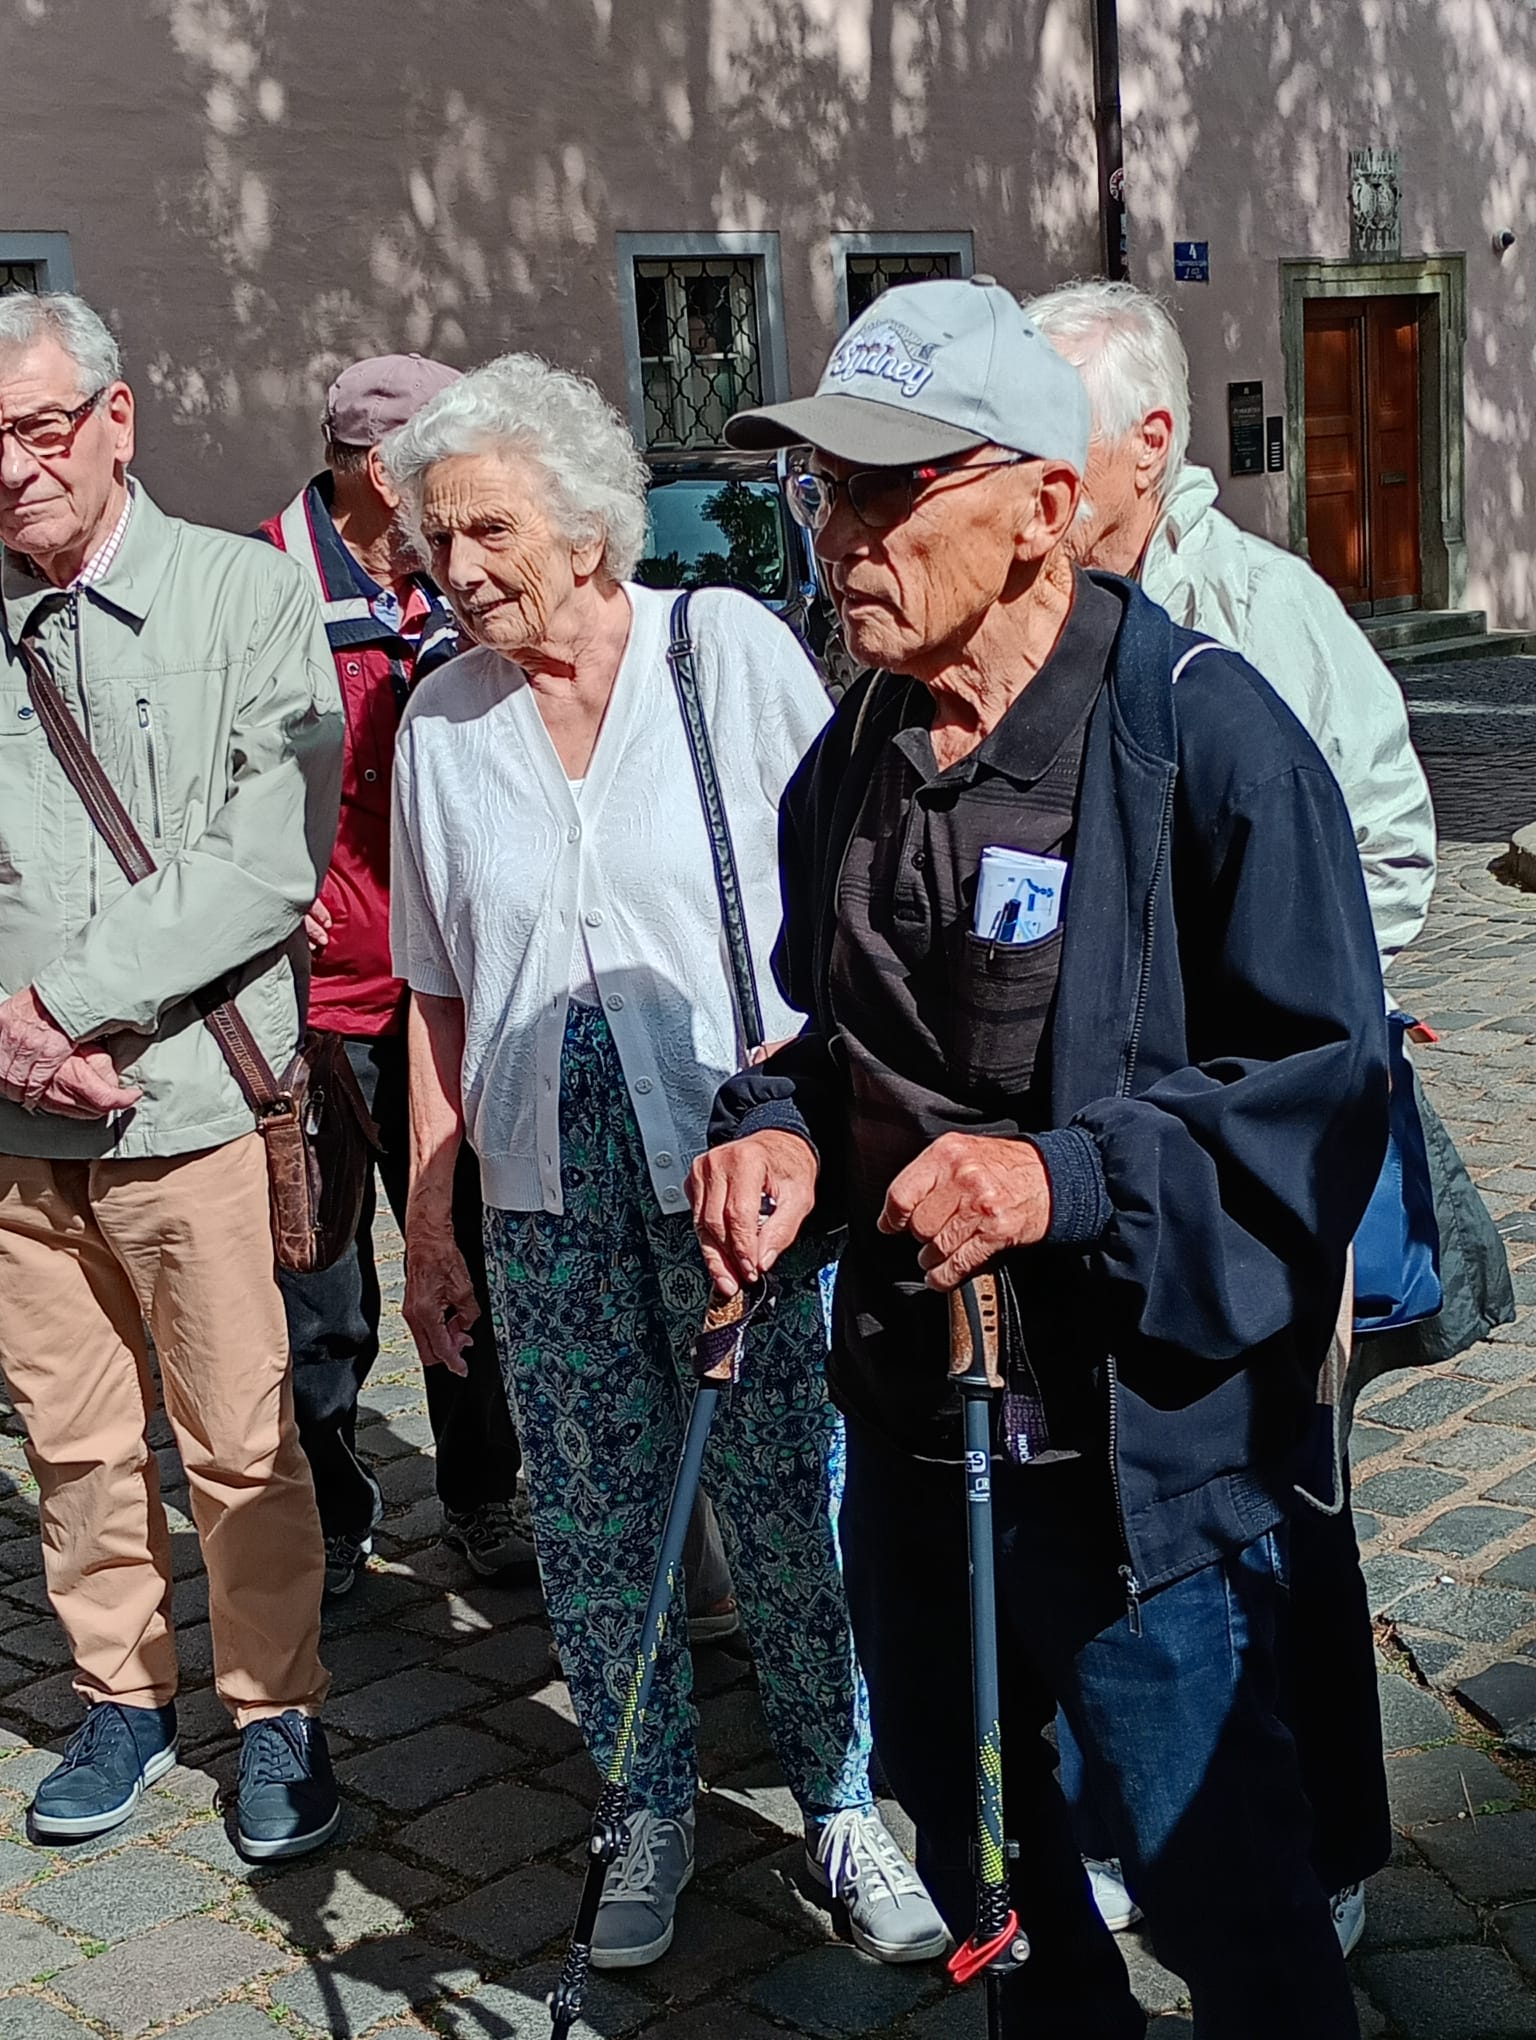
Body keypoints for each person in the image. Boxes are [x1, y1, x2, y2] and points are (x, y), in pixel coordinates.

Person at [694, 276, 1389, 2038]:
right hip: (914, 1418)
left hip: (1129, 1445)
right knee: (975, 1846)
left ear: (1044, 509)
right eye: (823, 488)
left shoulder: (1208, 736)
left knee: (1221, 1877)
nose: (838, 534)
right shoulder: (854, 750)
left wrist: (1063, 1178)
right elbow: (838, 1043)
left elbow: (1320, 1087)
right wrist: (778, 1134)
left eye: (889, 490)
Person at [382, 354, 947, 1971]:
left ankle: (842, 1802)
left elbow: (849, 901)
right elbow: (436, 993)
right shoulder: (439, 724)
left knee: (786, 1497)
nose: (458, 565)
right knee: (592, 1516)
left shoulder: (724, 652)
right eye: (436, 537)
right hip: (540, 1190)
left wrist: (821, 1118)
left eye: (489, 527)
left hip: (737, 1162)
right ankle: (642, 1803)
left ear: (586, 529)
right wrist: (432, 1219)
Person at [1021, 279, 1442, 1950]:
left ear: (1150, 439)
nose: (1021, 466)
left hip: (1255, 1156)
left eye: (1050, 433)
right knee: (1099, 1492)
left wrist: (1300, 1008)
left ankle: (1325, 1839)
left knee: (1281, 1495)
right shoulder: (1029, 610)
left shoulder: (1263, 611)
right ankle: (1131, 1810)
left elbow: (1392, 843)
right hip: (1086, 1164)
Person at [0, 292, 343, 1859]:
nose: (15, 469)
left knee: (238, 1437)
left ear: (116, 420)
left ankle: (276, 1714)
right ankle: (121, 1695)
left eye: (39, 427)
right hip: (18, 1134)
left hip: (192, 1112)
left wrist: (58, 1008)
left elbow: (269, 857)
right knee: (68, 1435)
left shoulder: (246, 594)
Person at [256, 354, 534, 1595]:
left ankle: (478, 1494)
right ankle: (332, 1510)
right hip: (307, 1009)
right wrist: (267, 869)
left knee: (466, 1255)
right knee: (317, 1288)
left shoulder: (459, 587)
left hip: (448, 995)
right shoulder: (264, 582)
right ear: (384, 469)